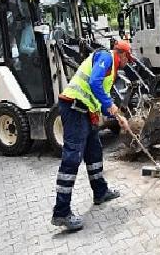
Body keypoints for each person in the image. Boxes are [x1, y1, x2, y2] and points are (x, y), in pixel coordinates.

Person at [51, 40, 133, 231]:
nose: (127, 63)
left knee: (94, 153)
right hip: (74, 108)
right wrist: (110, 106)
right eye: (127, 59)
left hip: (86, 112)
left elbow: (99, 93)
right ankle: (61, 212)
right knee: (72, 159)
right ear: (121, 54)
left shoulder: (111, 70)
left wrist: (115, 114)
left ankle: (100, 191)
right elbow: (94, 83)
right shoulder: (106, 57)